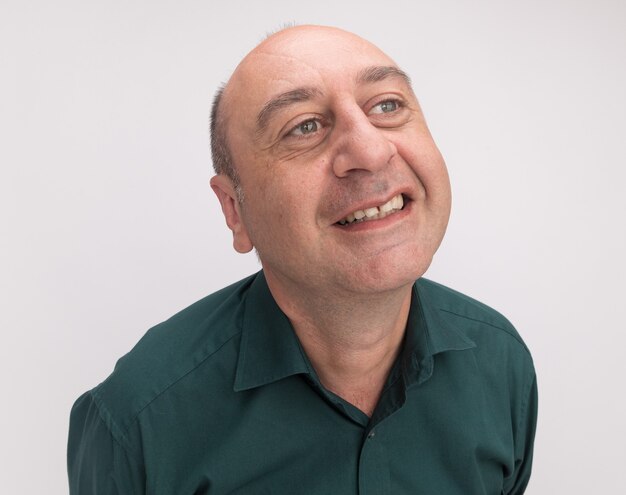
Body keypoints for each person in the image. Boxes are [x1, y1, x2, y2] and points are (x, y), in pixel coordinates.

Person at [67, 25, 537, 494]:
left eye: (387, 105)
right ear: (235, 210)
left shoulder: (502, 364)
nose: (371, 151)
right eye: (304, 126)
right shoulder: (137, 422)